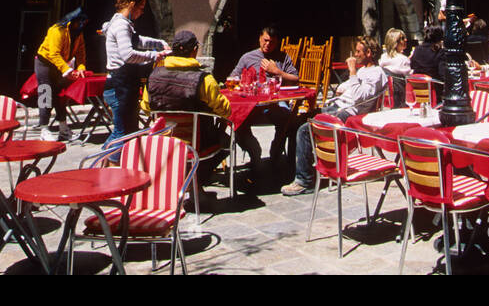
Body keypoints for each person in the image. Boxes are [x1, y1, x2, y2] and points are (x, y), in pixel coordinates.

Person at [281, 37, 388, 195]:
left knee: (305, 130)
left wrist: (352, 71)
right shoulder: (364, 70)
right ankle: (297, 170)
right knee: (296, 122)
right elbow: (349, 87)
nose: (356, 55)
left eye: (359, 51)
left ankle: (304, 181)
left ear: (369, 53)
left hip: (349, 112)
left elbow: (359, 96)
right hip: (339, 105)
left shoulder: (376, 73)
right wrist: (350, 81)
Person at [141, 30, 230, 157]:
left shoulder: (154, 76)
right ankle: (199, 173)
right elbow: (224, 111)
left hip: (163, 143)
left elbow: (146, 107)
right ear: (195, 50)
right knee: (226, 140)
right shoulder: (204, 79)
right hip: (196, 146)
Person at [227, 26, 298, 165]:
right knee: (235, 121)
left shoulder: (282, 57)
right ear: (259, 38)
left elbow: (296, 79)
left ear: (277, 43)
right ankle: (254, 151)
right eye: (265, 40)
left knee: (290, 120)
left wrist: (278, 72)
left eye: (272, 42)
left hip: (275, 102)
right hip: (252, 104)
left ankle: (276, 152)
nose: (268, 45)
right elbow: (233, 76)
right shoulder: (248, 57)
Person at [103, 0, 165, 143]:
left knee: (127, 131)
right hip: (119, 85)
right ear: (131, 5)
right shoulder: (121, 25)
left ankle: (111, 164)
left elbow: (138, 40)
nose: (142, 12)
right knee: (122, 133)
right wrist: (154, 56)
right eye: (141, 8)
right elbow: (128, 55)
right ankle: (105, 163)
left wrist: (159, 43)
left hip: (121, 83)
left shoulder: (122, 23)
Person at [36, 8, 89, 141]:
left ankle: (63, 128)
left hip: (61, 65)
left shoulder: (78, 33)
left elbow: (81, 53)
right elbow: (54, 54)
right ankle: (44, 128)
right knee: (46, 92)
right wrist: (67, 70)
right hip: (45, 63)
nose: (83, 24)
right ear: (74, 21)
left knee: (60, 95)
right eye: (81, 21)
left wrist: (81, 67)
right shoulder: (57, 30)